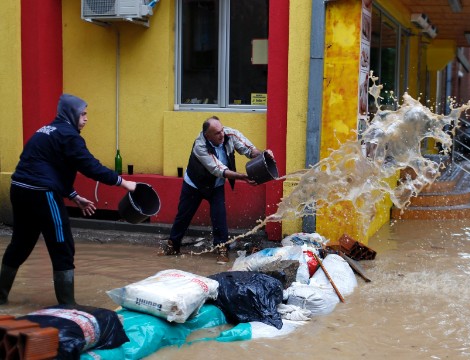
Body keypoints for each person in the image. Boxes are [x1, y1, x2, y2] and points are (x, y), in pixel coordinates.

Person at [0, 94, 137, 305]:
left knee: (20, 243)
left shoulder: (45, 131)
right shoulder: (69, 136)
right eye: (82, 114)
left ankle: (1, 296)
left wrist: (74, 196)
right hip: (42, 193)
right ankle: (67, 305)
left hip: (19, 189)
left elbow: (49, 167)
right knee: (62, 244)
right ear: (70, 114)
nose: (86, 118)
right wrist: (124, 183)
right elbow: (90, 166)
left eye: (86, 114)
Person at [162, 116, 272, 264]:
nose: (222, 135)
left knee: (219, 217)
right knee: (183, 216)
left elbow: (249, 150)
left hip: (216, 185)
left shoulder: (229, 134)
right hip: (195, 184)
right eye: (217, 133)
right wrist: (242, 177)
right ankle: (173, 246)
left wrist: (264, 155)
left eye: (221, 130)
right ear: (207, 135)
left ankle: (222, 249)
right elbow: (218, 169)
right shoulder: (200, 146)